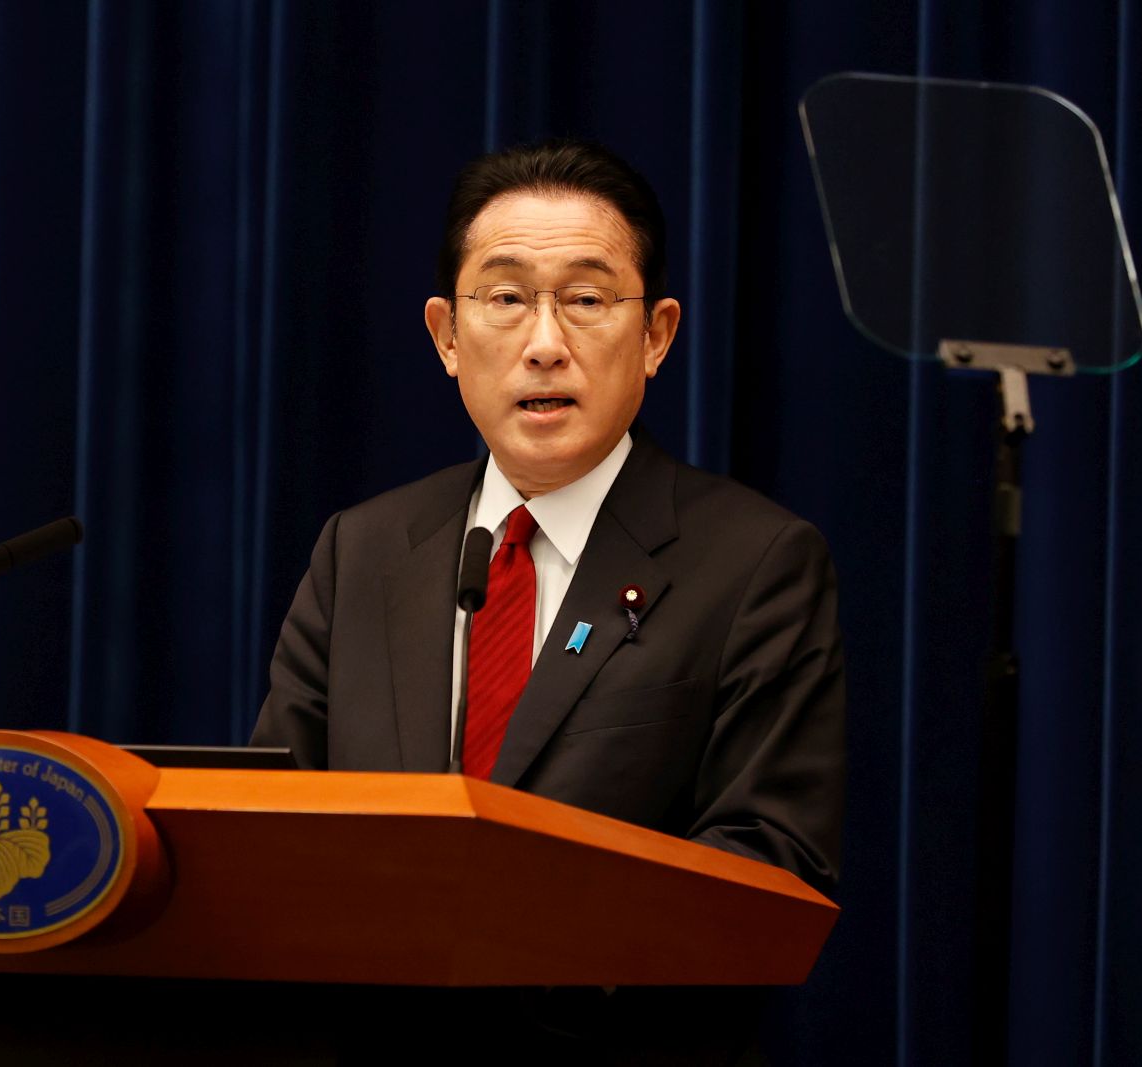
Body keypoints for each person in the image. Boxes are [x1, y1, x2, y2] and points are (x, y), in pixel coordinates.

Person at [252, 141, 845, 1059]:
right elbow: (275, 825)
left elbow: (766, 865)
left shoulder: (755, 562)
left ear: (656, 336)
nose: (543, 342)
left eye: (587, 299)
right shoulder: (362, 550)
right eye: (506, 297)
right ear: (448, 335)